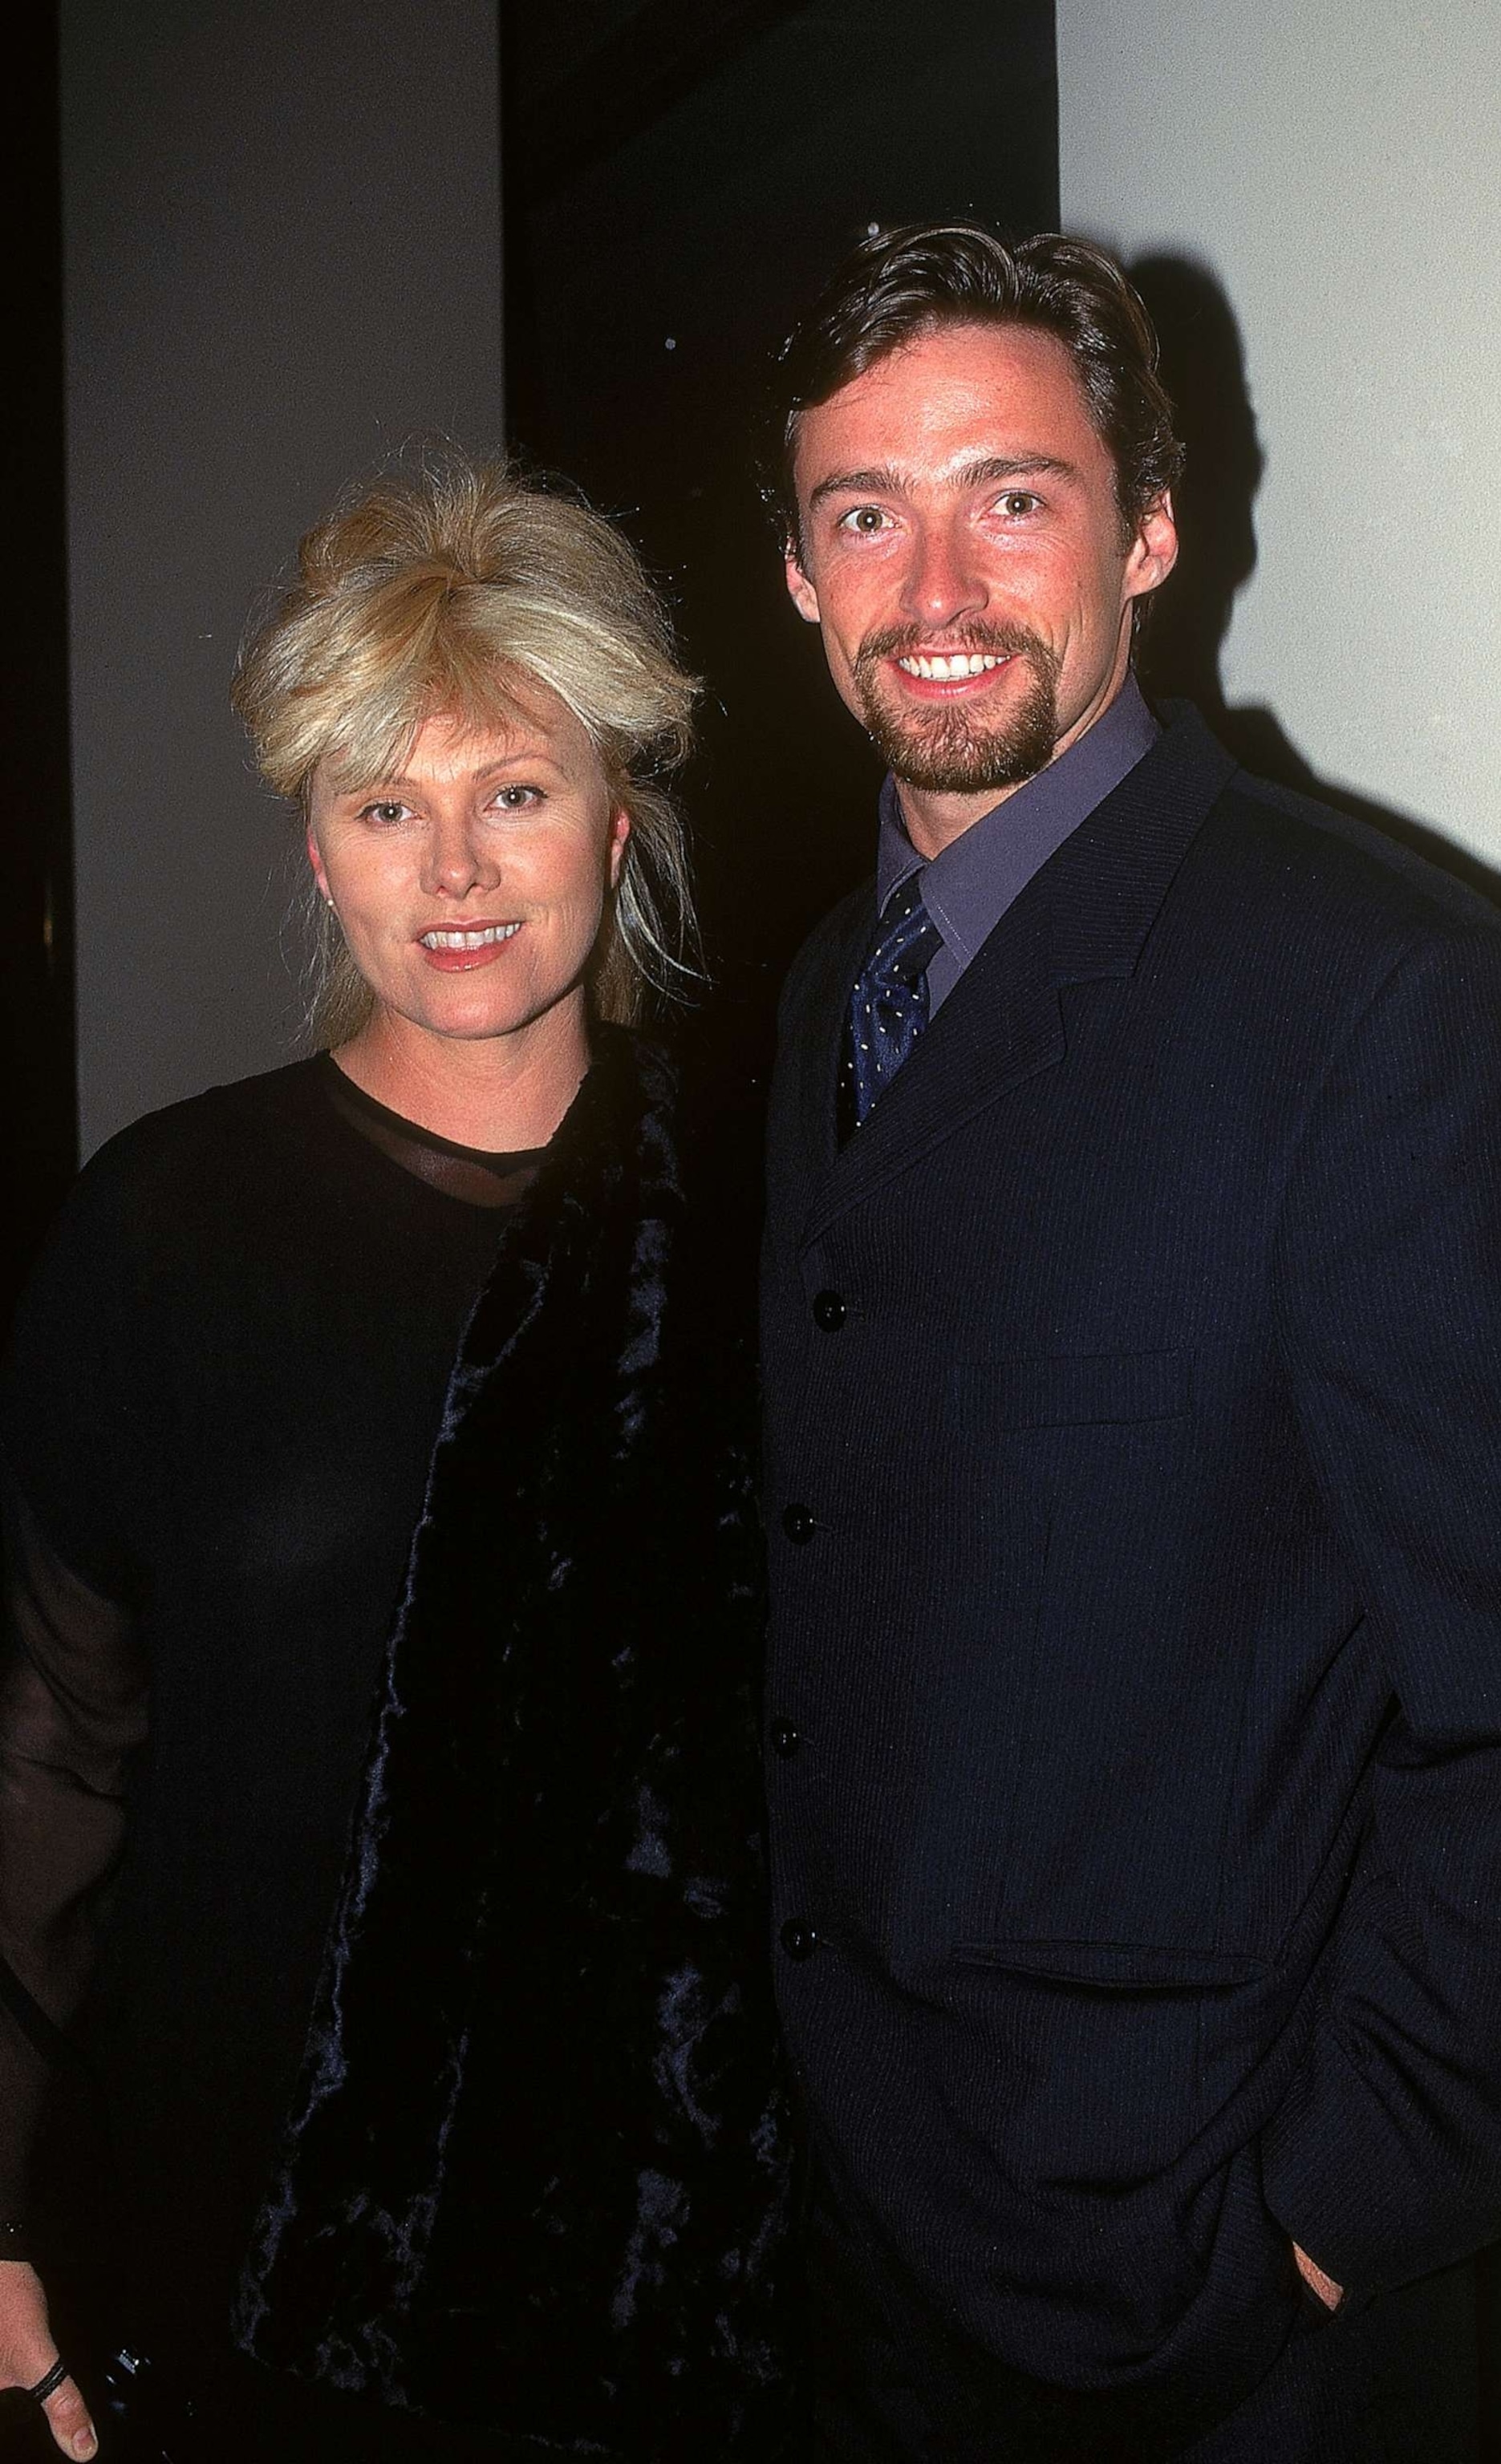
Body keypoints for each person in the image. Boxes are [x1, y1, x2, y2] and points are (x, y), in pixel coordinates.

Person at [757, 221, 1501, 2462]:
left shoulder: (1392, 1007)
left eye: (1014, 498)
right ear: (796, 575)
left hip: (1220, 2332)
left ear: (1148, 529)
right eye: (869, 513)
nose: (935, 585)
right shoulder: (811, 1005)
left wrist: (1311, 2226)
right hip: (851, 2264)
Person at [0, 453, 796, 2461]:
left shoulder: (776, 1212)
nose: (454, 871)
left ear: (619, 818)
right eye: (386, 807)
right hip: (252, 2238)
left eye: (512, 793)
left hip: (690, 2260)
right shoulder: (166, 1224)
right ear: (318, 852)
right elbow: (48, 1751)